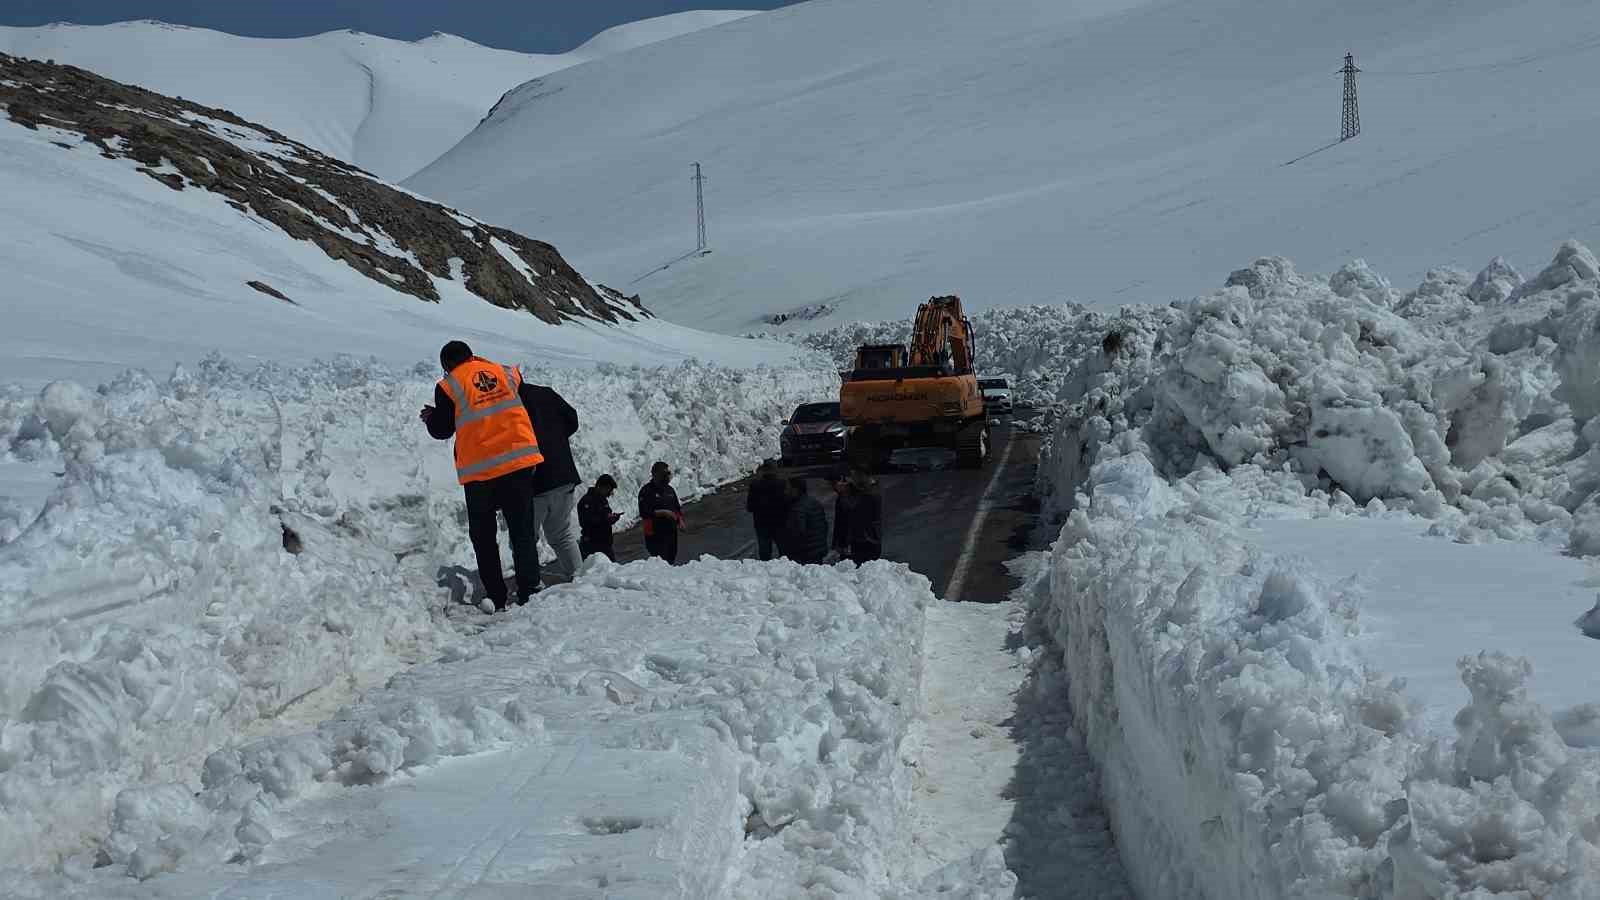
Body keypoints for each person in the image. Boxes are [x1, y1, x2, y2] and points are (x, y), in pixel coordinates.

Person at [421, 340, 543, 612]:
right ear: (471, 355)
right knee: (522, 530)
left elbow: (442, 429)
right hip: (518, 463)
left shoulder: (449, 385)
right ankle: (530, 590)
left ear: (447, 365)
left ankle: (497, 597)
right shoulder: (506, 373)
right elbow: (525, 409)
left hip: (481, 473)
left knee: (484, 537)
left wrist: (431, 417)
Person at [522, 379, 583, 580]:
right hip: (564, 476)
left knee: (525, 540)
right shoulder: (546, 393)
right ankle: (580, 579)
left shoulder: (507, 403)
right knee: (562, 534)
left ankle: (530, 587)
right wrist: (555, 441)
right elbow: (572, 419)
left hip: (534, 484)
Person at [831, 467, 883, 565]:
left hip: (866, 542)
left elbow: (856, 510)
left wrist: (845, 493)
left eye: (855, 475)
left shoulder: (872, 493)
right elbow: (840, 521)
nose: (852, 478)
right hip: (853, 542)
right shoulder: (852, 492)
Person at [638, 461, 683, 563]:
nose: (667, 476)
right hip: (655, 534)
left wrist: (680, 520)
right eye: (664, 474)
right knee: (661, 563)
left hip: (671, 532)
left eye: (668, 474)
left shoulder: (670, 490)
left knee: (671, 559)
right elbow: (644, 513)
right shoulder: (646, 491)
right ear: (655, 474)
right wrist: (662, 512)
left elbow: (676, 508)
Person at [745, 459, 788, 561]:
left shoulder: (754, 485)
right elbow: (788, 503)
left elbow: (750, 507)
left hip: (761, 523)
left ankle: (765, 570)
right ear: (775, 470)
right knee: (784, 551)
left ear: (763, 470)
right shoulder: (782, 484)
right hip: (780, 522)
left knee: (765, 551)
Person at [780, 477, 829, 564]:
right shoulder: (814, 502)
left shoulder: (797, 508)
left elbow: (796, 533)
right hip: (817, 550)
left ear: (795, 490)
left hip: (804, 554)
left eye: (787, 489)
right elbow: (824, 526)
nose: (785, 492)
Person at [577, 474, 622, 561]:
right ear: (600, 487)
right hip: (592, 546)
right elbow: (586, 522)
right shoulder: (587, 501)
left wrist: (613, 518)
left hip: (605, 544)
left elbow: (605, 516)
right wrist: (605, 519)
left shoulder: (603, 500)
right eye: (609, 490)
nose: (610, 493)